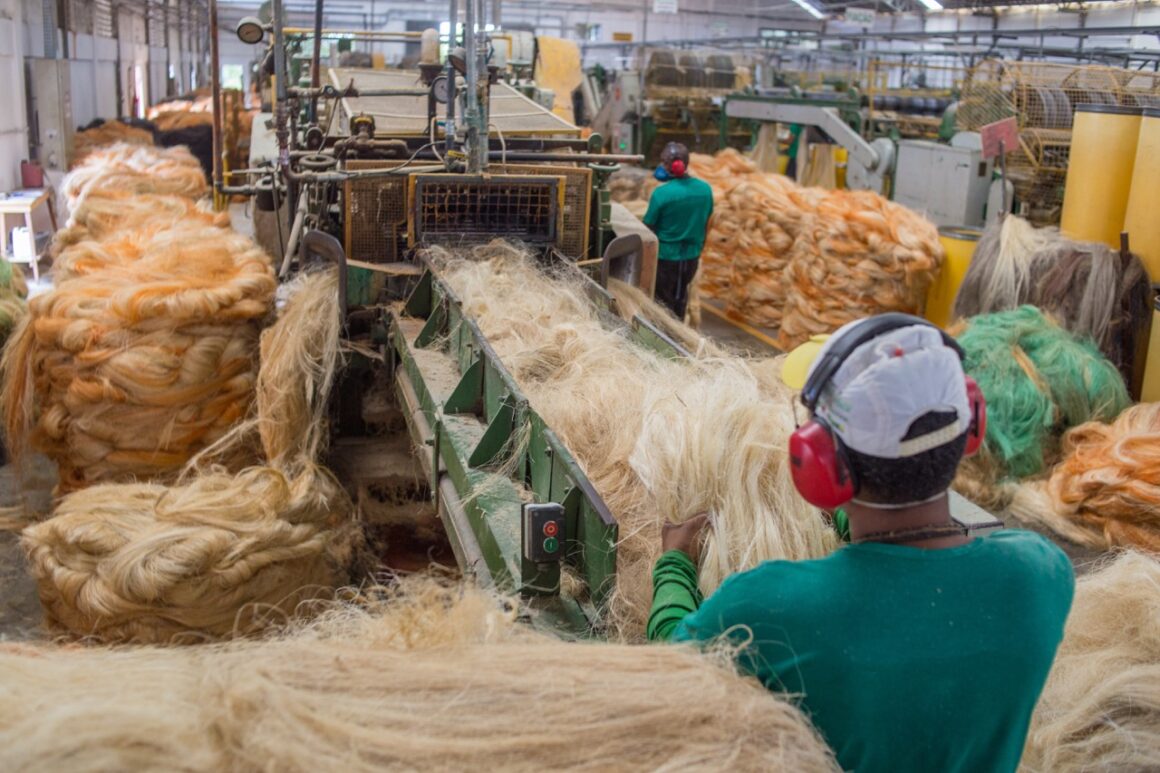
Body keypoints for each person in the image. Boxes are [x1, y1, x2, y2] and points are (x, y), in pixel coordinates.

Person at [648, 313, 1074, 773]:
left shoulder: (768, 606)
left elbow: (672, 670)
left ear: (821, 464)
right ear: (970, 429)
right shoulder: (1041, 574)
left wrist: (675, 563)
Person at [641, 142, 713, 320]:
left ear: (672, 165)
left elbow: (648, 226)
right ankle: (678, 334)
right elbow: (707, 221)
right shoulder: (705, 190)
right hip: (691, 257)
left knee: (662, 304)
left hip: (666, 258)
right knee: (681, 299)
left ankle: (663, 338)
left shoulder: (662, 194)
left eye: (664, 163)